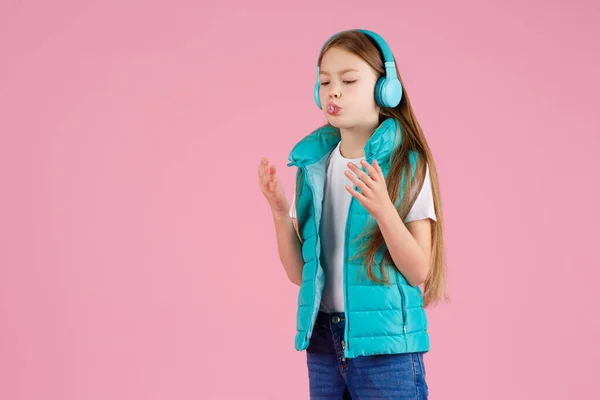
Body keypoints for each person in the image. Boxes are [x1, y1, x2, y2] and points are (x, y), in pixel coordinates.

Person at [258, 28, 448, 399]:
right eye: (324, 81)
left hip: (386, 347)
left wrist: (383, 209)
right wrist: (281, 214)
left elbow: (419, 269)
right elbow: (301, 275)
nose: (333, 91)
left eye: (348, 80)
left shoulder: (405, 166)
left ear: (385, 90)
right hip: (324, 340)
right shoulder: (313, 166)